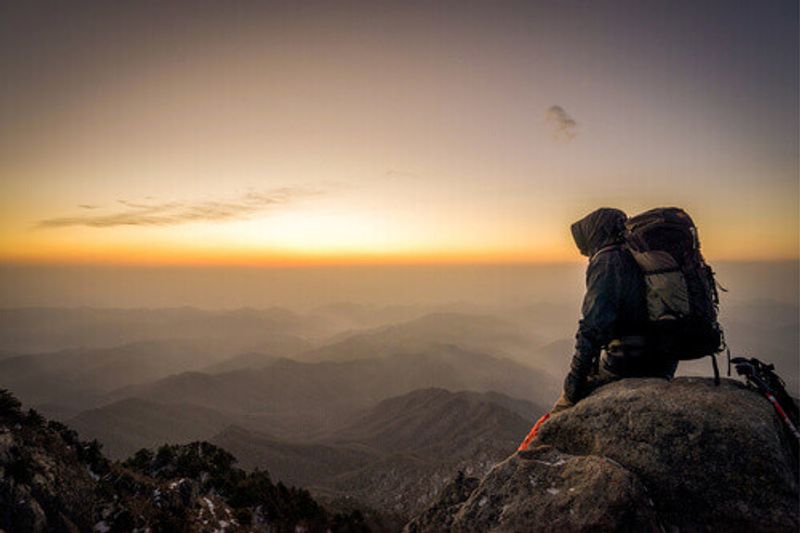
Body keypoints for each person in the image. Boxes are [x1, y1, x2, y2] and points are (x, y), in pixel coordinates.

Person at [552, 207, 678, 413]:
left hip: (630, 363)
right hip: (664, 358)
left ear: (595, 233)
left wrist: (572, 387)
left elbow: (594, 325)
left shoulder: (608, 261)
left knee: (560, 412)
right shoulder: (639, 254)